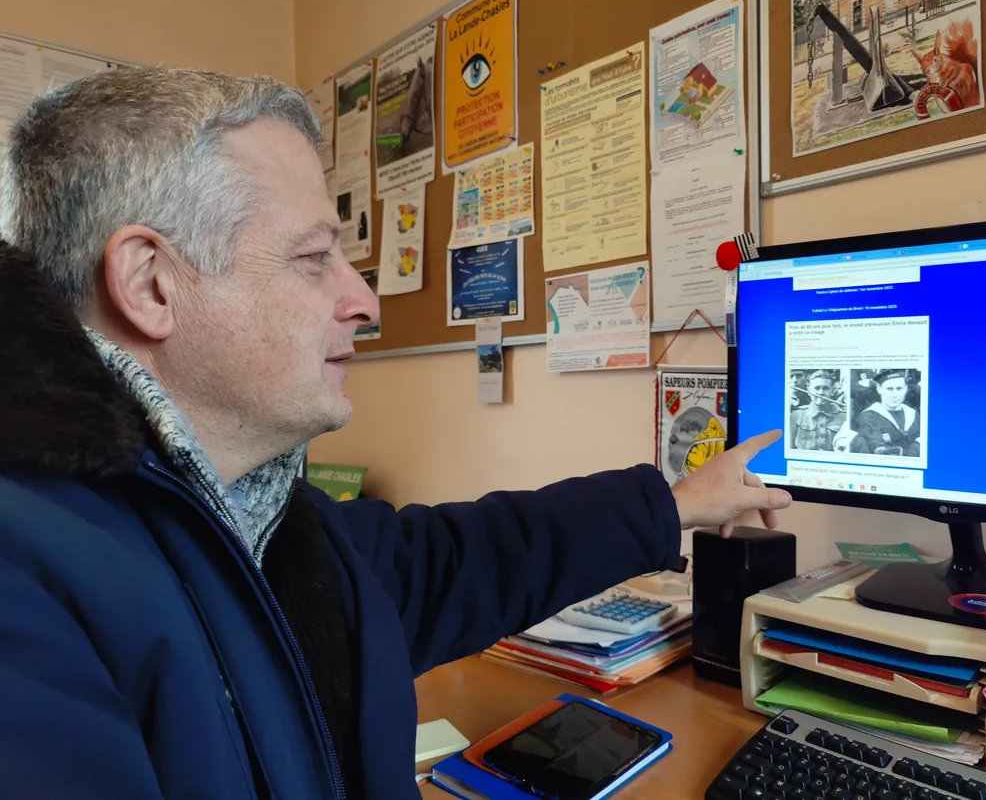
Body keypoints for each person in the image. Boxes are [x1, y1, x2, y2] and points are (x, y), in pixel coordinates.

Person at [0, 67, 792, 800]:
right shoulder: (25, 592)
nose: (365, 303)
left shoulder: (268, 520)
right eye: (314, 258)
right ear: (150, 283)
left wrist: (675, 500)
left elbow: (456, 559)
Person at [852, 369, 921, 456]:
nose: (894, 394)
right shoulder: (869, 417)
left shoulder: (913, 415)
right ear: (879, 389)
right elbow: (882, 451)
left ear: (906, 389)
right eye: (889, 389)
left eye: (899, 389)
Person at [789, 370, 847, 451]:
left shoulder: (843, 418)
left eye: (825, 388)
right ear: (809, 391)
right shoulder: (795, 416)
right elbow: (789, 449)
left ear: (833, 391)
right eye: (817, 388)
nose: (821, 393)